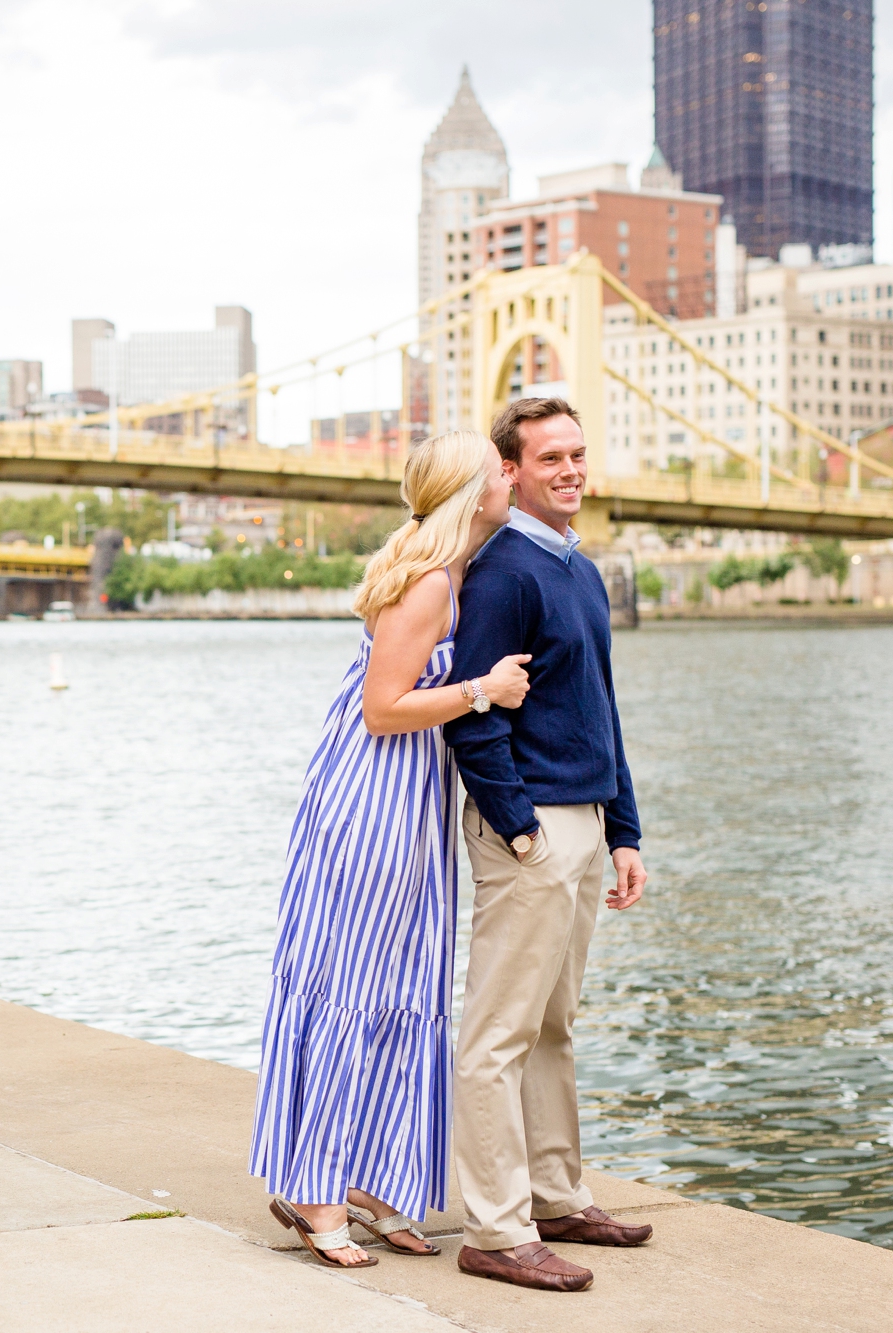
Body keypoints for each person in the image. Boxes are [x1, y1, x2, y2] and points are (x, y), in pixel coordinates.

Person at [251, 428, 533, 1269]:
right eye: (497, 470)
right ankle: (315, 1192)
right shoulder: (431, 585)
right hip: (375, 797)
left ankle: (371, 1180)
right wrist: (484, 689)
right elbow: (383, 707)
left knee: (402, 980)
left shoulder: (439, 572)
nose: (508, 477)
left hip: (402, 795)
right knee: (356, 982)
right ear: (469, 492)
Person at [442, 397, 652, 1293]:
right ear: (512, 471)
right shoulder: (504, 572)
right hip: (531, 830)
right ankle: (496, 1227)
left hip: (588, 820)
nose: (570, 468)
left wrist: (627, 830)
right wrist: (521, 825)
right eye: (550, 457)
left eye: (578, 453)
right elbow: (473, 715)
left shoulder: (583, 569)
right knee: (497, 1033)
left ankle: (558, 1196)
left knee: (554, 1026)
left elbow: (599, 707)